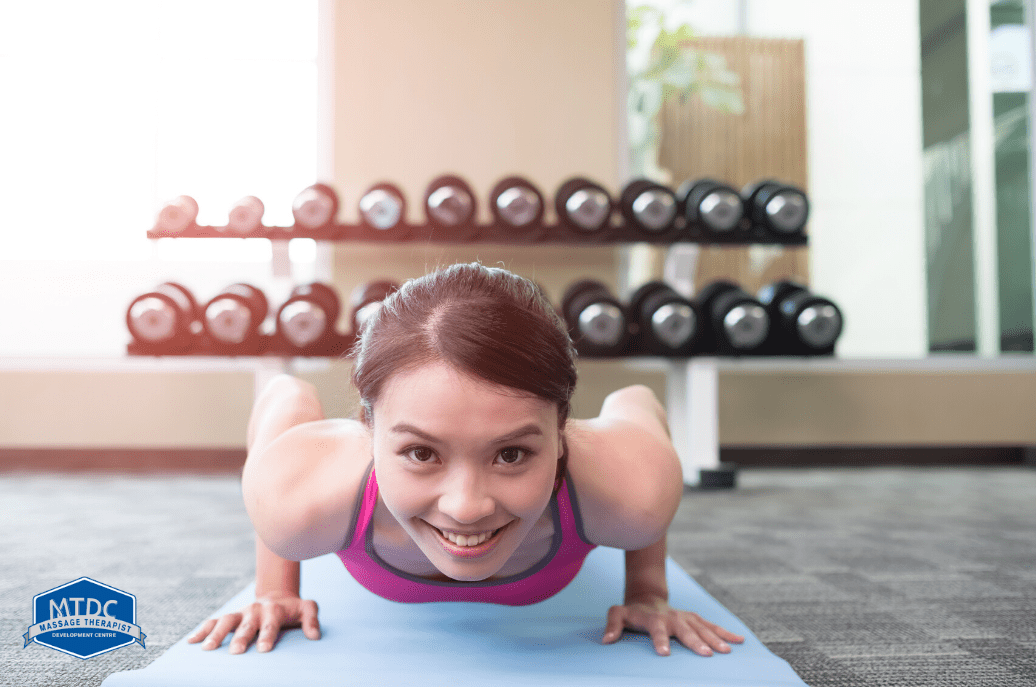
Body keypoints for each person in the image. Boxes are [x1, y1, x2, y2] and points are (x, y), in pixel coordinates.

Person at [188, 261, 744, 657]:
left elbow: (642, 414)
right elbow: (278, 481)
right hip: (324, 457)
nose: (467, 507)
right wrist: (276, 592)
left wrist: (647, 590)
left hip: (595, 453)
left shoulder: (634, 492)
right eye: (421, 452)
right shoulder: (294, 496)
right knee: (287, 403)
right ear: (369, 433)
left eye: (511, 454)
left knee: (633, 448)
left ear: (560, 432)